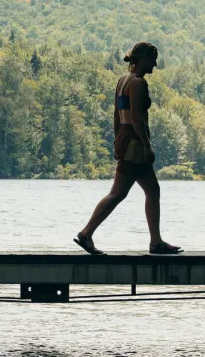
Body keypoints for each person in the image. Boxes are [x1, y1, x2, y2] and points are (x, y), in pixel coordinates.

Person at [74, 41, 182, 255]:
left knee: (153, 190)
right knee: (118, 193)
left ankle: (156, 242)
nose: (156, 64)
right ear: (142, 58)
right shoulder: (138, 83)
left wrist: (117, 140)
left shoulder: (123, 81)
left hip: (125, 139)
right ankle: (86, 234)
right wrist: (147, 146)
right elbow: (136, 118)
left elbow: (117, 116)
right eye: (153, 59)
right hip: (135, 143)